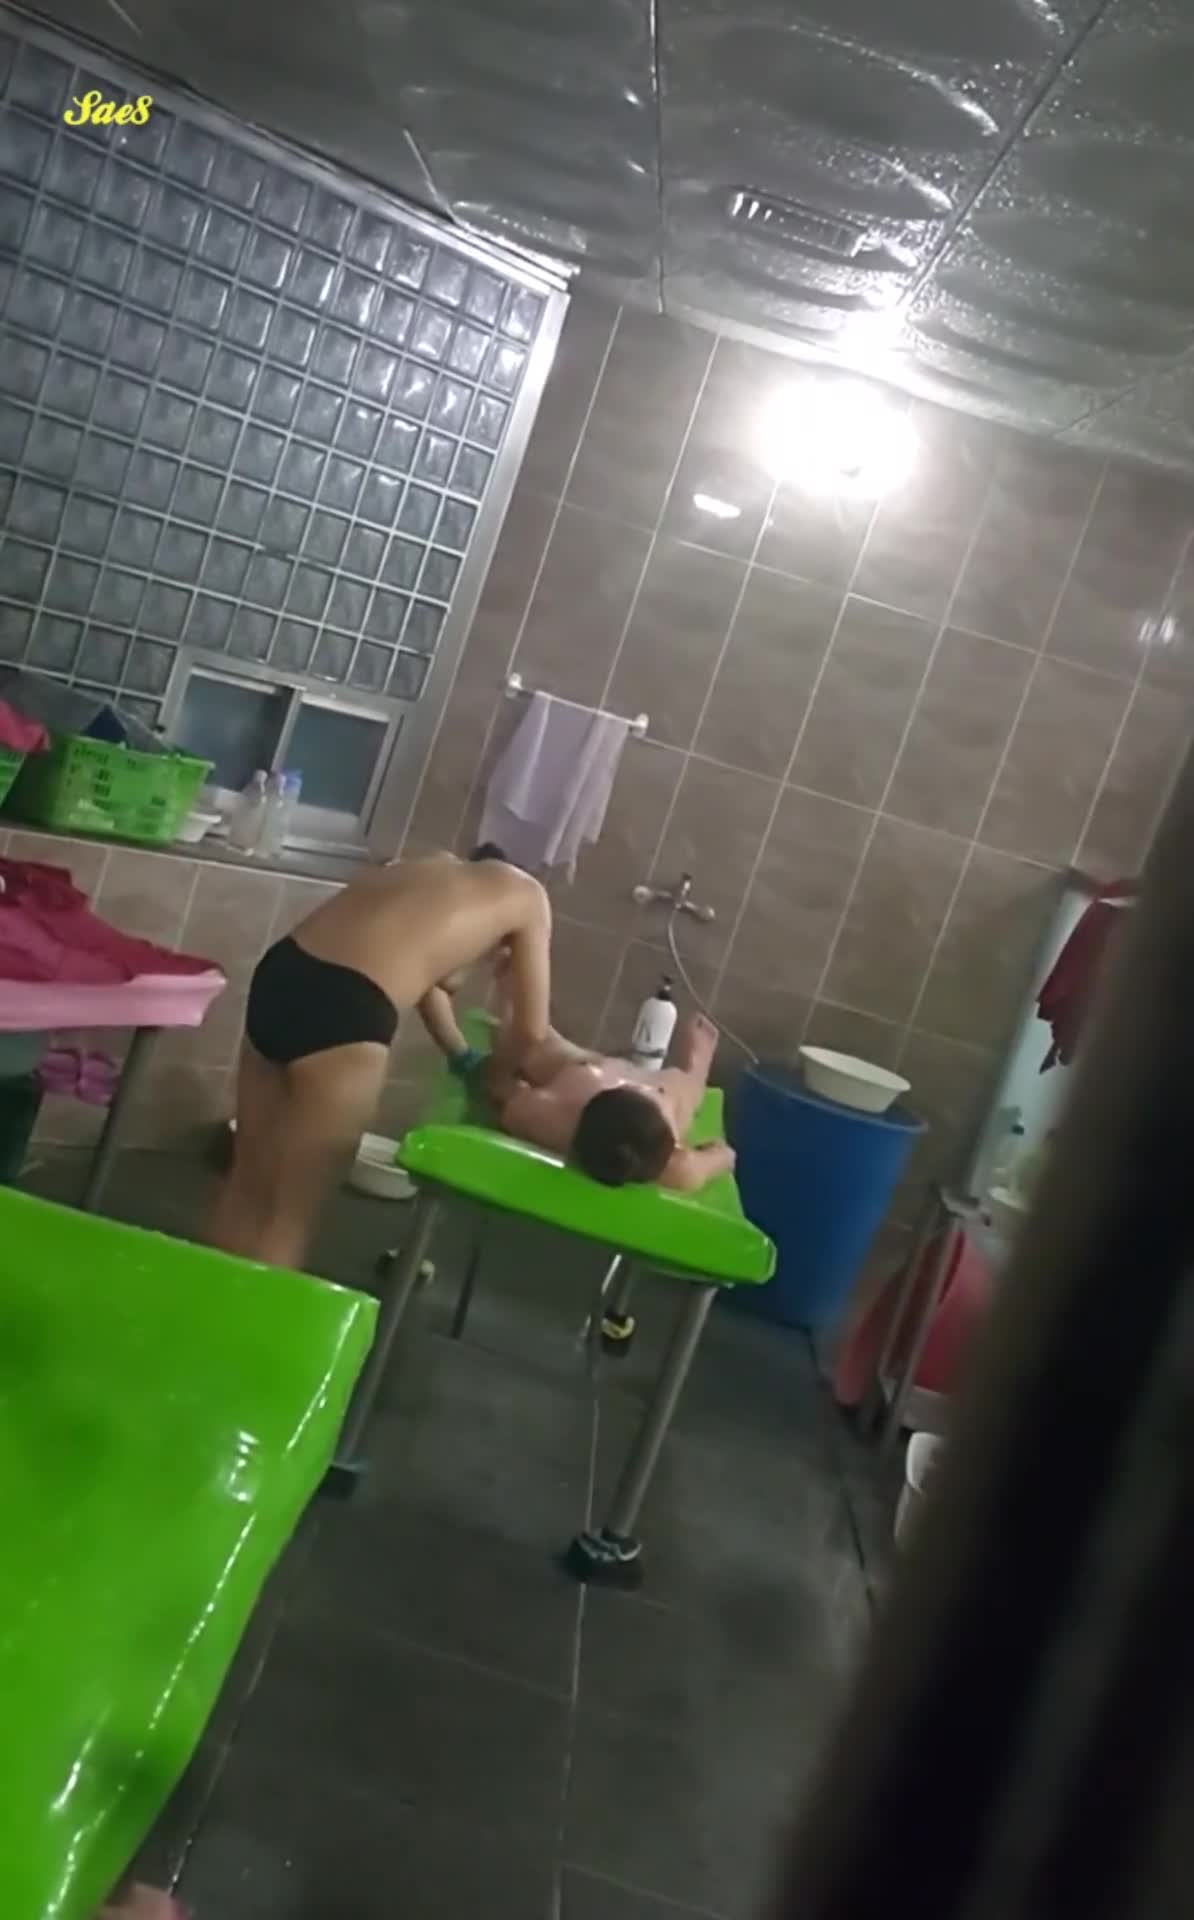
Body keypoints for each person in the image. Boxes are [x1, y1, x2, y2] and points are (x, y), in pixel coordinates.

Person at [211, 847, 551, 1268]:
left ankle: (208, 1301)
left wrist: (464, 1058)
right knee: (293, 1213)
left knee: (246, 1183)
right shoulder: (530, 898)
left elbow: (430, 982)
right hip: (347, 1004)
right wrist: (499, 1080)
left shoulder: (428, 868)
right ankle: (258, 1310)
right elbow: (532, 1033)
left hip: (283, 971)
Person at [492, 1006, 736, 1192]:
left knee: (532, 1046)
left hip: (587, 1071)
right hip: (642, 1086)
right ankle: (695, 1070)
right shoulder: (678, 1168)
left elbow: (501, 1084)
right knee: (682, 1090)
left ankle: (527, 1012)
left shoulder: (546, 1117)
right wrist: (722, 1155)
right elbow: (723, 1157)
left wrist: (507, 1070)